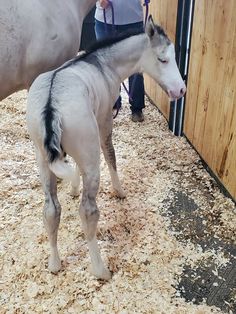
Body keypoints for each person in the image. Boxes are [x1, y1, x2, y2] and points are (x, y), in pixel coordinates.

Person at [95, 0, 145, 122]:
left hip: (133, 19)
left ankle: (137, 107)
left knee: (135, 65)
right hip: (105, 17)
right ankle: (112, 102)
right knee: (107, 65)